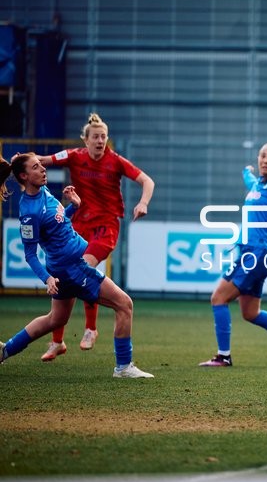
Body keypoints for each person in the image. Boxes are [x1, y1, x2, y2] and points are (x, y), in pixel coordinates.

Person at [0, 153, 153, 378]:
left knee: (56, 319)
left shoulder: (42, 191)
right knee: (124, 305)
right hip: (71, 269)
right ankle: (123, 367)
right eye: (36, 167)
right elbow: (30, 254)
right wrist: (47, 279)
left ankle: (5, 350)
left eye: (41, 165)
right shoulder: (29, 213)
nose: (43, 169)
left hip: (65, 268)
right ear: (24, 176)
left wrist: (74, 206)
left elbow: (58, 222)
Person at [36, 112, 155, 361]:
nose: (101, 141)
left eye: (104, 137)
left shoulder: (115, 161)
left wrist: (143, 203)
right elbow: (43, 160)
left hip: (106, 226)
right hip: (78, 225)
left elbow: (147, 180)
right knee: (65, 276)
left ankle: (90, 328)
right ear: (86, 139)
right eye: (96, 137)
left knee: (83, 268)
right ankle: (57, 341)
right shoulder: (74, 156)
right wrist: (22, 161)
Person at [198, 142, 267, 367]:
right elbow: (250, 182)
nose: (265, 160)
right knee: (250, 313)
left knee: (218, 298)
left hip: (256, 253)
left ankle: (223, 356)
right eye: (262, 156)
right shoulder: (258, 184)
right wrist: (246, 172)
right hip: (253, 254)